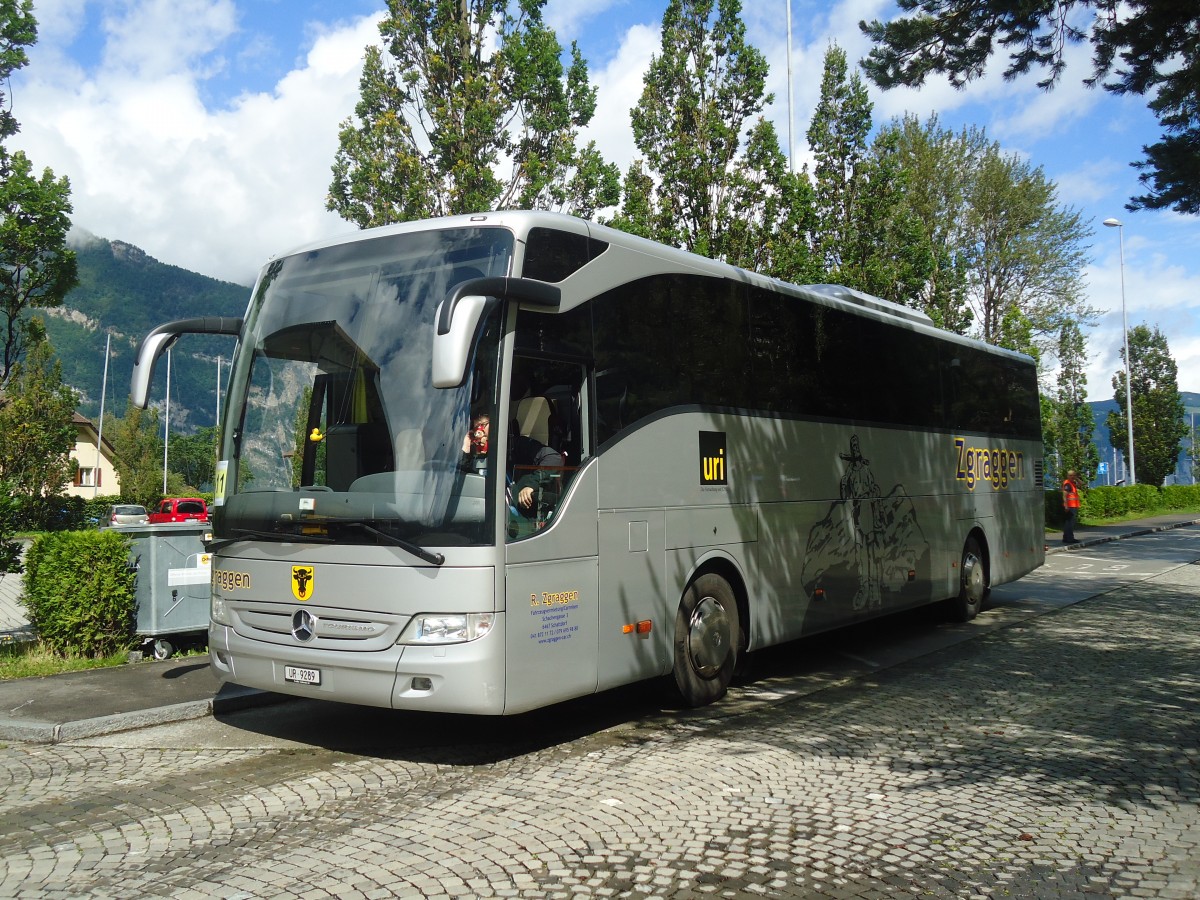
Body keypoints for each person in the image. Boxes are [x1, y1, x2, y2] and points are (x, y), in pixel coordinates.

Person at [1062, 469, 1081, 544]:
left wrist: (1077, 478)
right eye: (1070, 475)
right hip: (1070, 506)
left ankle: (1066, 538)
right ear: (1067, 476)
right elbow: (1064, 495)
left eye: (1073, 475)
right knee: (1070, 523)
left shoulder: (1072, 483)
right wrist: (1066, 505)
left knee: (1068, 522)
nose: (1072, 477)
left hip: (1073, 505)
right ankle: (1070, 538)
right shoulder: (1067, 484)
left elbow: (1081, 484)